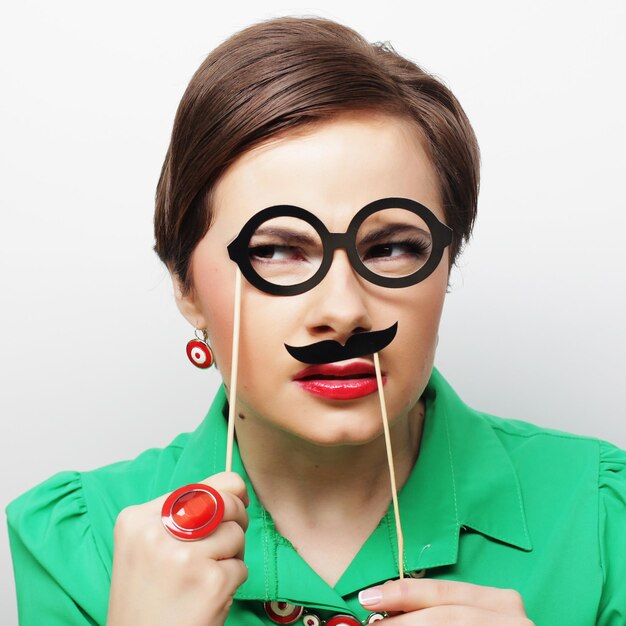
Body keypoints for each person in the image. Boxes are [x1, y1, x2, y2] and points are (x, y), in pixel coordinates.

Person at [6, 15, 626, 626]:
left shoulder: (602, 515)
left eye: (392, 247)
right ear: (184, 284)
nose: (344, 311)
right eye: (275, 251)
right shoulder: (76, 541)